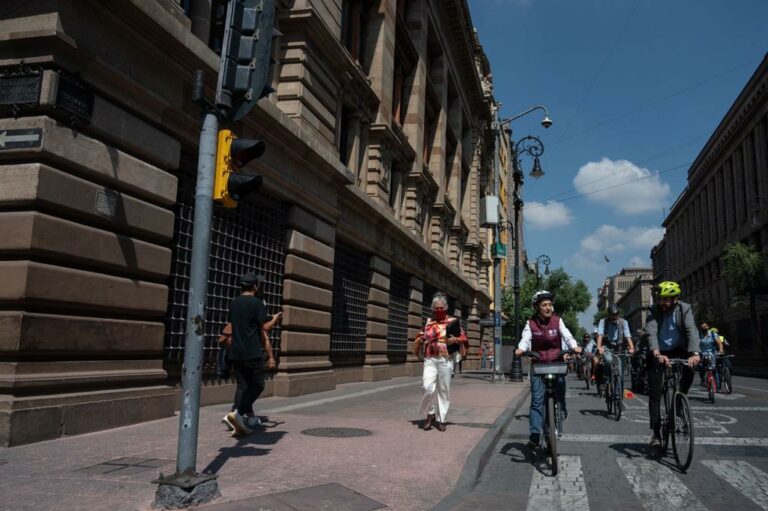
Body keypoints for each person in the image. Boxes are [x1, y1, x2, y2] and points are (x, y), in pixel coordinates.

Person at [514, 290, 582, 449]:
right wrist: (521, 349)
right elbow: (525, 339)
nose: (548, 307)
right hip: (538, 365)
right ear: (537, 307)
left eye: (550, 304)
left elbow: (567, 336)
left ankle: (562, 406)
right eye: (544, 305)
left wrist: (574, 346)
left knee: (560, 389)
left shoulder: (558, 321)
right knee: (537, 401)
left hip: (556, 363)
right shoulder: (530, 324)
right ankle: (535, 435)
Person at [222, 274, 282, 432]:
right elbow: (265, 329)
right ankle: (237, 413)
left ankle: (236, 415)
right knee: (258, 385)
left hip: (235, 351)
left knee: (242, 386)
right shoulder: (257, 303)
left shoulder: (233, 303)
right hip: (252, 352)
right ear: (255, 287)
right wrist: (275, 318)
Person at [645, 281, 700, 449]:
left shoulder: (685, 309)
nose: (663, 302)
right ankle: (656, 433)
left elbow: (691, 330)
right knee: (655, 393)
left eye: (667, 299)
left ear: (675, 299)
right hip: (659, 351)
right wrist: (656, 353)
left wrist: (695, 354)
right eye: (661, 299)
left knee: (690, 370)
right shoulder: (654, 310)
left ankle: (678, 402)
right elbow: (651, 332)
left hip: (679, 349)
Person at [413, 293, 467, 432]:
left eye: (441, 308)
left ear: (446, 308)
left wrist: (455, 339)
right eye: (436, 308)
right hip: (430, 358)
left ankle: (441, 419)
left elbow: (464, 338)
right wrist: (421, 339)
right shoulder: (428, 322)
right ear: (432, 308)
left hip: (445, 359)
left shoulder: (453, 322)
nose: (438, 310)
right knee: (427, 386)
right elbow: (419, 336)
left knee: (444, 390)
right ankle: (430, 413)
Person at [596, 305, 635, 401]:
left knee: (620, 374)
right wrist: (599, 347)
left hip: (620, 348)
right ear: (609, 315)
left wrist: (632, 348)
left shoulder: (624, 322)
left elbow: (627, 336)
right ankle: (605, 380)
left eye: (616, 315)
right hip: (607, 347)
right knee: (608, 360)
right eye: (612, 315)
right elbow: (600, 335)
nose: (614, 317)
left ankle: (619, 398)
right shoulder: (603, 322)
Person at [698, 321, 724, 386]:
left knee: (714, 369)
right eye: (702, 327)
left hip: (712, 353)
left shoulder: (713, 334)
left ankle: (718, 386)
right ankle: (703, 380)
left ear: (708, 327)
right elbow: (696, 345)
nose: (703, 328)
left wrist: (720, 350)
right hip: (702, 354)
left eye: (704, 327)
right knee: (701, 366)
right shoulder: (699, 335)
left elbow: (719, 343)